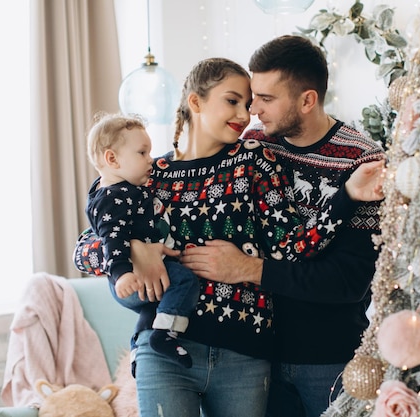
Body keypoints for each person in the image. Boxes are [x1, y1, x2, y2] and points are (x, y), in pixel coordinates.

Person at [73, 57, 382, 417]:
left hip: (245, 352)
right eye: (232, 101)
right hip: (165, 351)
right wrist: (137, 251)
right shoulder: (146, 176)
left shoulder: (254, 160)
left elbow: (293, 247)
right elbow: (85, 248)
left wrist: (346, 196)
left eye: (248, 104)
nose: (246, 114)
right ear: (195, 101)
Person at [180, 35, 386, 417]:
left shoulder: (362, 161)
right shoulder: (252, 146)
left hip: (328, 358)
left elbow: (349, 282)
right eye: (250, 96)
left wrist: (249, 269)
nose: (252, 110)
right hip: (253, 355)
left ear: (307, 100)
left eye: (266, 99)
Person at [83, 112, 199, 368]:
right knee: (184, 281)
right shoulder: (113, 198)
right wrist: (122, 272)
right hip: (128, 274)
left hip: (138, 272)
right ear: (112, 159)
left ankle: (137, 349)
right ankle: (165, 334)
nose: (150, 160)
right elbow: (112, 239)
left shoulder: (117, 190)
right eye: (142, 153)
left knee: (152, 307)